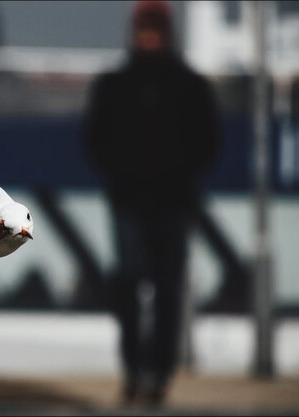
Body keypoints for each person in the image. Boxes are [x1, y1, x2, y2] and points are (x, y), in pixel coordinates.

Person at [83, 0, 221, 405]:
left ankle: (158, 373)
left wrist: (176, 174)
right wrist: (120, 174)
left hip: (173, 204)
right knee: (129, 285)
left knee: (167, 289)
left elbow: (208, 143)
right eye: (144, 28)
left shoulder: (190, 86)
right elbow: (95, 139)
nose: (148, 36)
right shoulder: (116, 84)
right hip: (129, 201)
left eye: (153, 28)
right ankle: (135, 369)